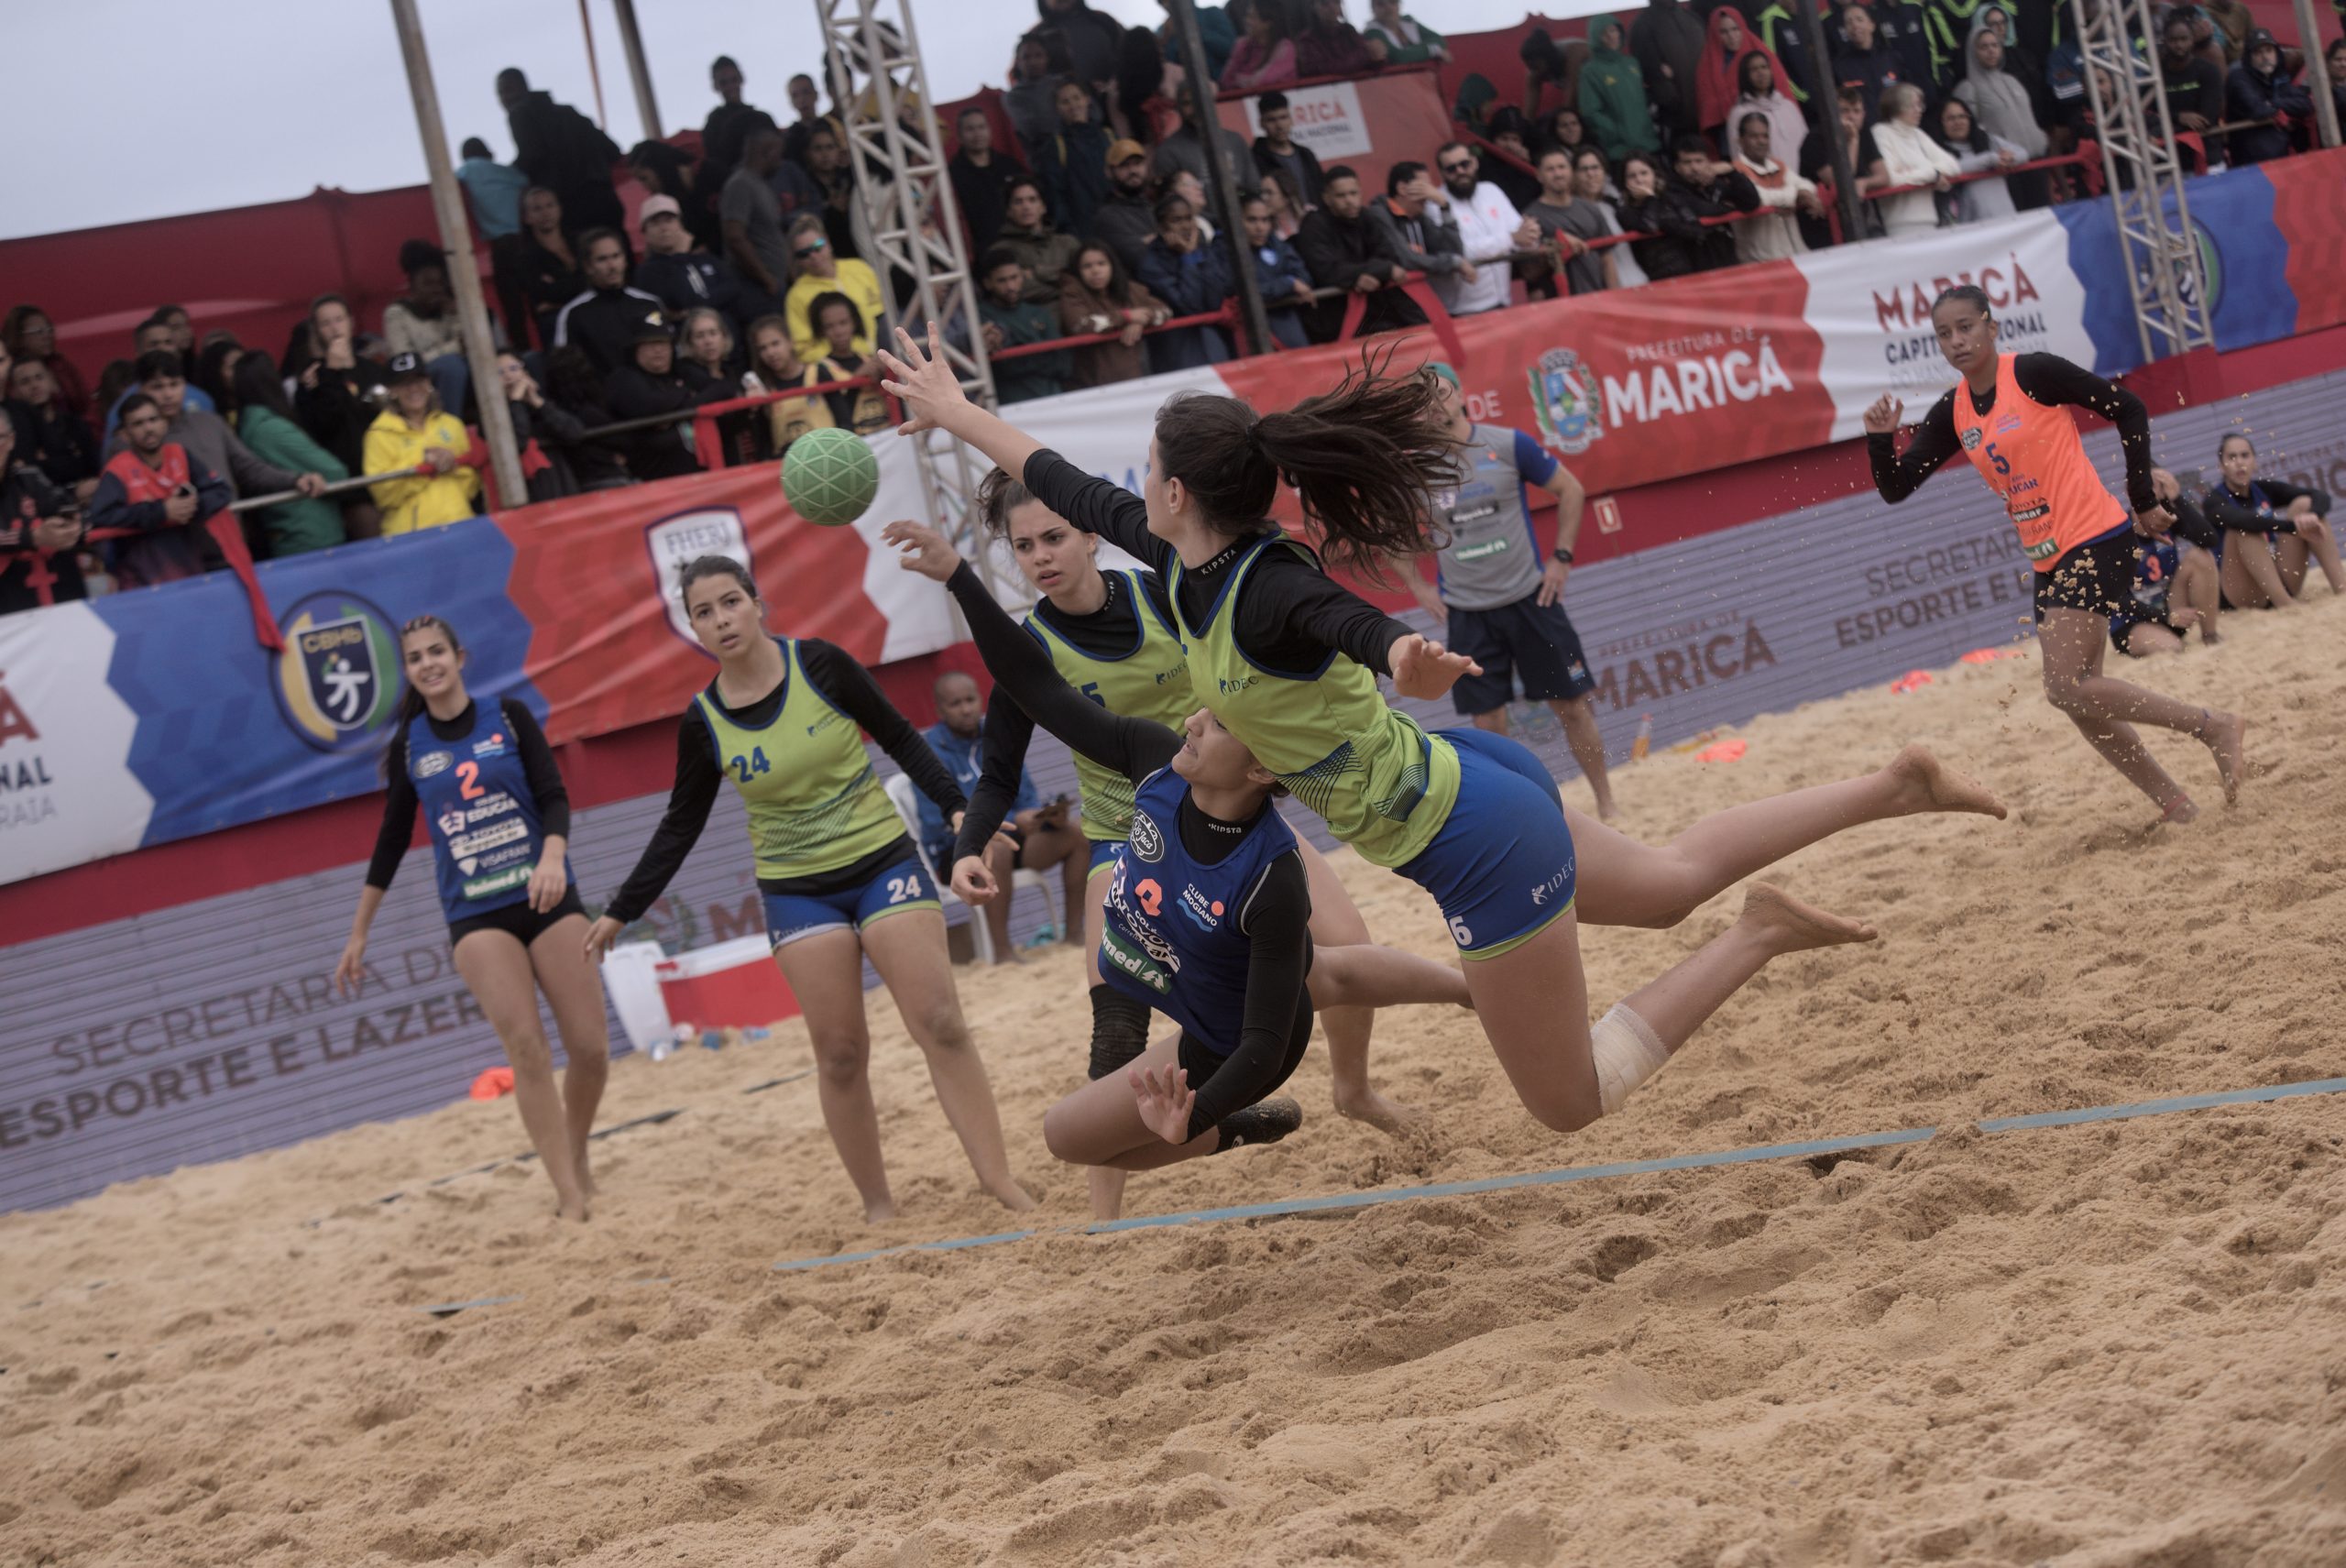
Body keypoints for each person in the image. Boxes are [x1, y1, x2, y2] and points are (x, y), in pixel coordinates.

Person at [879, 324, 2009, 1141]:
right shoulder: (1180, 554)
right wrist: (953, 412)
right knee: (1664, 885)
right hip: (1474, 779)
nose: (1133, 492)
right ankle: (1892, 783)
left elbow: (1341, 619)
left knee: (1569, 1102)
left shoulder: (1266, 589)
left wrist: (1399, 656)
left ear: (1178, 493)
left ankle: (1757, 933)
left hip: (1472, 838)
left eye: (1149, 478)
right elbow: (1064, 484)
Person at [886, 513, 1480, 1208]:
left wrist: (1373, 655)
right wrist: (967, 846)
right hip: (1130, 826)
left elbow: (1266, 655)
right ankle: (1107, 1216)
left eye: (1053, 537)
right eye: (1023, 546)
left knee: (1338, 952)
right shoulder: (1053, 662)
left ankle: (1358, 1083)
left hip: (1228, 809)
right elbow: (1009, 747)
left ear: (1089, 540)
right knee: (1117, 1027)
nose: (1041, 556)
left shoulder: (1163, 596)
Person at [586, 556, 1035, 1223]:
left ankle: (999, 1179)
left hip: (882, 861)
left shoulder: (821, 664)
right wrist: (622, 909)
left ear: (757, 603)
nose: (721, 619)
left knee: (940, 1020)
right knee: (841, 1053)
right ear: (693, 628)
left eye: (730, 601)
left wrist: (958, 809)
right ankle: (879, 1205)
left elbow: (902, 739)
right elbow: (680, 825)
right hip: (799, 891)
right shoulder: (704, 720)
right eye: (703, 612)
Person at [1866, 286, 2248, 823]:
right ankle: (2178, 807)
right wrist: (1880, 440)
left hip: (2095, 535)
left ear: (1991, 327)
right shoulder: (1953, 410)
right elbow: (1897, 487)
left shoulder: (2032, 373)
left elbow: (2128, 407)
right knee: (2071, 695)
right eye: (1944, 334)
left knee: (2066, 685)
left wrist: (2141, 497)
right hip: (2048, 557)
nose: (1956, 341)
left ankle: (2213, 726)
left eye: (1965, 327)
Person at [337, 617, 608, 1222]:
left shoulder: (508, 716)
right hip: (476, 913)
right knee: (527, 1048)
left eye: (437, 651)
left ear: (460, 657)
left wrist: (553, 857)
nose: (428, 663)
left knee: (590, 1048)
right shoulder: (411, 745)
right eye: (415, 657)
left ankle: (578, 1151)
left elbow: (554, 796)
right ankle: (567, 1192)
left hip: (547, 897)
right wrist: (359, 932)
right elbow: (389, 842)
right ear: (408, 671)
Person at [1406, 364, 1617, 817]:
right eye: (1423, 401)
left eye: (1441, 393)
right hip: (1468, 613)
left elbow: (1572, 489)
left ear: (1462, 394)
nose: (1434, 405)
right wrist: (1418, 586)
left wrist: (1560, 559)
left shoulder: (1506, 444)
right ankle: (1525, 818)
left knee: (1573, 708)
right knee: (1489, 729)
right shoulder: (1416, 472)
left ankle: (1608, 804)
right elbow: (1388, 536)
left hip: (1531, 599)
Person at [915, 665, 1091, 961]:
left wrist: (1041, 817)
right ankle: (1003, 952)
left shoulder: (997, 735)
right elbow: (938, 822)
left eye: (970, 700)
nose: (966, 709)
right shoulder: (930, 751)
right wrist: (999, 822)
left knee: (1076, 833)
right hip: (957, 851)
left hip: (1011, 837)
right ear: (939, 709)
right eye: (955, 704)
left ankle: (1074, 934)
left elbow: (1026, 799)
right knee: (995, 845)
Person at [114, 349, 324, 510]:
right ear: (140, 389)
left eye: (174, 384)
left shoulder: (210, 423)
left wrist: (295, 479)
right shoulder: (127, 441)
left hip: (231, 543)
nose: (168, 394)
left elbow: (250, 469)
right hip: (176, 558)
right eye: (157, 387)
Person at [87, 393, 234, 587]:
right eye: (138, 424)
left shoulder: (179, 453)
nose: (148, 428)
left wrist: (190, 506)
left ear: (164, 423)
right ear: (125, 433)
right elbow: (101, 516)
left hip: (190, 567)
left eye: (153, 420)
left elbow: (220, 491)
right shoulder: (117, 469)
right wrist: (162, 512)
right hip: (140, 579)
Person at [2203, 432, 2343, 609]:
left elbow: (2320, 495)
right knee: (2244, 530)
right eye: (2231, 457)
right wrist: (2293, 527)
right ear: (2221, 467)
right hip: (2243, 592)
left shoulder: (2262, 489)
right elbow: (2246, 521)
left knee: (2304, 504)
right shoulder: (2213, 501)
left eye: (2245, 456)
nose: (2239, 462)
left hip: (2278, 578)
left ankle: (2342, 589)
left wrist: (2313, 515)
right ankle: (2287, 607)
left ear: (2254, 462)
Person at [229, 353, 348, 555]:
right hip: (310, 536)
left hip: (290, 534)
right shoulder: (271, 429)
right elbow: (335, 471)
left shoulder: (248, 427)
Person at [1299, 167, 1426, 337]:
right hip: (1336, 320)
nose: (1350, 200)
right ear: (1326, 198)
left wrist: (1370, 273)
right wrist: (1368, 274)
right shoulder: (1313, 225)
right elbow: (1326, 269)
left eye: (1353, 193)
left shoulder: (1367, 216)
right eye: (1341, 196)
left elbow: (1389, 256)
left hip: (1381, 311)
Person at [498, 68, 624, 236]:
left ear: (523, 87)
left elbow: (532, 155)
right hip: (606, 200)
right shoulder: (570, 113)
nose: (505, 99)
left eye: (508, 90)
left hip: (571, 207)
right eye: (500, 94)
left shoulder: (519, 113)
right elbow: (612, 151)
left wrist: (508, 174)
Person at [365, 354, 480, 536]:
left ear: (428, 383)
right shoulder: (378, 434)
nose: (413, 389)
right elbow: (382, 494)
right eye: (404, 384)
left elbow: (472, 483)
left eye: (418, 381)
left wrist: (451, 465)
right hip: (411, 538)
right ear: (392, 390)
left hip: (461, 525)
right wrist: (423, 462)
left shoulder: (452, 424)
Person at [2110, 468, 2222, 656]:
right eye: (2143, 486)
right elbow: (2117, 599)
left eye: (2156, 486)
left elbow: (2210, 540)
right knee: (2172, 649)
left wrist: (2178, 498)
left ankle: (2210, 635)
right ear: (2129, 492)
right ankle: (2166, 637)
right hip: (2133, 622)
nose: (2150, 493)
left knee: (2201, 556)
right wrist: (2166, 616)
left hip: (2171, 608)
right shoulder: (2118, 535)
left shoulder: (2167, 519)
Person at [606, 310, 728, 481]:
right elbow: (648, 407)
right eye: (650, 344)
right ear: (636, 348)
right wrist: (685, 393)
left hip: (701, 477)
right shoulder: (624, 377)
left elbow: (722, 388)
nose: (658, 350)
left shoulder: (679, 370)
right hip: (654, 482)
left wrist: (681, 409)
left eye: (663, 343)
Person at [1432, 143, 1539, 316]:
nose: (1460, 171)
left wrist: (1531, 234)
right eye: (1451, 169)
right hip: (1462, 313)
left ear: (1474, 163)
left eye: (1464, 164)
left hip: (1503, 304)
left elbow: (1521, 238)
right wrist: (1511, 239)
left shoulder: (1491, 191)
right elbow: (1458, 251)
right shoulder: (1436, 204)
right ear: (1442, 173)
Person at [1135, 197, 1236, 370]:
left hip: (1215, 344)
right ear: (1161, 227)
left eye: (1189, 218)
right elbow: (1190, 305)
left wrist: (1192, 253)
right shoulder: (1150, 264)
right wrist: (1188, 257)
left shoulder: (1203, 249)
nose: (1185, 226)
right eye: (1176, 220)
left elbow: (1215, 300)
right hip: (1180, 351)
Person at [637, 194, 763, 331]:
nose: (664, 228)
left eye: (669, 220)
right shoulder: (646, 272)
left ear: (680, 224)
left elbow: (734, 286)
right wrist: (680, 256)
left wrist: (698, 304)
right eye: (655, 223)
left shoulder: (703, 258)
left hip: (729, 334)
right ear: (645, 232)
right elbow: (682, 299)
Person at [0, 416, 87, 615]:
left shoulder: (28, 476)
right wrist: (32, 537)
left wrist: (71, 525)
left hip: (56, 597)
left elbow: (66, 507)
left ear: (12, 440)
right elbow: (34, 535)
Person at [554, 229, 668, 377]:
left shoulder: (650, 303)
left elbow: (670, 354)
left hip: (658, 393)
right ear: (588, 267)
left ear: (625, 260)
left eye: (616, 256)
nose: (612, 266)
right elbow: (564, 369)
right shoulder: (573, 314)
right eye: (602, 259)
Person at [722, 128, 815, 306]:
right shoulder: (740, 184)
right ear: (768, 152)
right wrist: (765, 278)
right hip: (757, 289)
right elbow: (734, 236)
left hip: (774, 285)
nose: (781, 163)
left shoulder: (760, 184)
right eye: (779, 155)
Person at [781, 214, 888, 364]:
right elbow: (803, 350)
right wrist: (850, 358)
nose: (813, 255)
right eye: (803, 253)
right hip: (847, 368)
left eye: (817, 246)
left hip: (889, 356)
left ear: (828, 242)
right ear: (797, 259)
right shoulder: (796, 295)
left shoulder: (859, 268)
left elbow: (886, 317)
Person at [1955, 26, 2055, 187]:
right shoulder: (1967, 89)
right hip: (2006, 169)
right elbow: (1971, 134)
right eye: (1983, 47)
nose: (1991, 51)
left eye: (1995, 45)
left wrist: (2041, 139)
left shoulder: (2012, 81)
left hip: (2037, 162)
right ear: (1973, 52)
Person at [1059, 242, 1169, 386]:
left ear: (1112, 265)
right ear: (1078, 271)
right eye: (1087, 266)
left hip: (1136, 375)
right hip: (1094, 381)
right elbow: (1081, 324)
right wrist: (1126, 317)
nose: (1095, 270)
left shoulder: (1129, 288)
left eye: (1101, 264)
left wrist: (1142, 320)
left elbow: (1165, 311)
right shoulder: (1072, 292)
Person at [381, 239, 471, 416]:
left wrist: (454, 315)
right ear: (412, 286)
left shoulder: (446, 309)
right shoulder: (397, 314)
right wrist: (452, 349)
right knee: (451, 365)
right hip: (416, 379)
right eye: (428, 284)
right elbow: (405, 362)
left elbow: (467, 344)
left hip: (455, 376)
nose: (435, 289)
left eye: (439, 283)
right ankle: (447, 425)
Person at [493, 187, 586, 354]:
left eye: (550, 205)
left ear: (559, 209)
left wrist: (559, 292)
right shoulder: (525, 256)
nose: (545, 213)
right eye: (537, 208)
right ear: (526, 217)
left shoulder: (580, 242)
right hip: (556, 323)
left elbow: (593, 279)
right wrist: (579, 285)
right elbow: (542, 294)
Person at [695, 54, 781, 233]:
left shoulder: (763, 118)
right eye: (724, 82)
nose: (731, 86)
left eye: (733, 79)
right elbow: (716, 163)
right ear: (716, 86)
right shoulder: (714, 123)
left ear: (742, 79)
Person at [975, 251, 1075, 404]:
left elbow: (1064, 363)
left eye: (1014, 278)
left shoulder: (1039, 312)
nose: (1010, 286)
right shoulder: (980, 315)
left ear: (1022, 276)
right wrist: (1041, 352)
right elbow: (1005, 367)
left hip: (1055, 398)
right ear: (988, 283)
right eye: (1002, 281)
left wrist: (1022, 351)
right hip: (1014, 405)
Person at [1868, 82, 1960, 236]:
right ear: (1898, 107)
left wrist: (1921, 172)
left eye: (1920, 106)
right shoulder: (1881, 132)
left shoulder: (1917, 134)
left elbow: (1954, 166)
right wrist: (1933, 175)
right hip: (1899, 223)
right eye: (1913, 106)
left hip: (1930, 218)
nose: (1919, 111)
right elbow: (1890, 178)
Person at [494, 351, 586, 502]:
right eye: (500, 372)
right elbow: (518, 442)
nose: (508, 376)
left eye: (513, 368)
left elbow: (574, 432)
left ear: (526, 373)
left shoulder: (540, 406)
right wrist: (515, 401)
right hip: (528, 496)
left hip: (563, 488)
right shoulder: (492, 417)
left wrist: (536, 401)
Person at [1524, 148, 1617, 295]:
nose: (1558, 174)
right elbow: (1529, 272)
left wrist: (1615, 297)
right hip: (1563, 306)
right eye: (1550, 169)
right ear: (1539, 176)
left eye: (1562, 167)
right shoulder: (1530, 217)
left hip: (1600, 297)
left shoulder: (1590, 208)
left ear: (1571, 171)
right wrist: (1556, 247)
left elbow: (1607, 259)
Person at [743, 314, 838, 458]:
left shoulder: (818, 372)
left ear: (790, 342)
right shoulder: (763, 388)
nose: (770, 353)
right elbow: (764, 443)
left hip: (829, 458)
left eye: (775, 344)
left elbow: (843, 419)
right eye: (763, 348)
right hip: (789, 469)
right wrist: (754, 410)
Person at [1729, 112, 1820, 261]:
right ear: (1740, 140)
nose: (1761, 141)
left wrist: (1804, 192)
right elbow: (1758, 196)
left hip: (1796, 253)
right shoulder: (1735, 170)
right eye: (1754, 136)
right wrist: (1795, 196)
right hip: (1761, 261)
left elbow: (1806, 185)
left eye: (1765, 136)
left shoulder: (1778, 165)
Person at [8, 355, 101, 495]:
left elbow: (95, 468)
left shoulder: (76, 424)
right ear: (14, 392)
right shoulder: (14, 436)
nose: (34, 386)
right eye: (25, 382)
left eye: (39, 377)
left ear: (52, 381)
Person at [543, 347, 631, 491]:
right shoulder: (589, 413)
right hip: (607, 478)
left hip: (583, 481)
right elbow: (625, 441)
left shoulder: (555, 414)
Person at [1036, 81, 1114, 240]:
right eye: (1065, 102)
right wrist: (1070, 233)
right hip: (1084, 230)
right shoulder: (1055, 147)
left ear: (1087, 99)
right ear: (1057, 108)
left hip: (1118, 223)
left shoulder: (1108, 136)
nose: (1073, 105)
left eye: (1076, 98)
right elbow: (1055, 196)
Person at [1238, 194, 1319, 348]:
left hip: (1289, 332)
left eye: (1265, 220)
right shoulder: (1224, 251)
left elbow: (1304, 278)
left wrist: (1290, 284)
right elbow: (1243, 293)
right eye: (1252, 220)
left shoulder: (1275, 244)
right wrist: (1288, 284)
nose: (1260, 227)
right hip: (1249, 339)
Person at [1581, 14, 1661, 162]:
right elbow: (1590, 111)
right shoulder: (1590, 71)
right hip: (1620, 150)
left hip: (1649, 142)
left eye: (1614, 31)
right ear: (1595, 37)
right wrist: (1615, 132)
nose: (1611, 36)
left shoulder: (1632, 63)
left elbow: (1643, 98)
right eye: (1604, 33)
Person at [2226, 29, 2310, 168]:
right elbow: (2258, 109)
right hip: (2250, 162)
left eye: (2269, 50)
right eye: (2258, 52)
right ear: (2249, 57)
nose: (2265, 57)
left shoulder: (2278, 76)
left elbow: (2305, 104)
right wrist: (2279, 108)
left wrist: (2273, 104)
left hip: (2281, 156)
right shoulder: (2238, 78)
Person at [995, 177, 1086, 305]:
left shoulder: (1068, 243)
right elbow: (1018, 290)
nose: (1026, 206)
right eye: (1018, 202)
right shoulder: (1002, 251)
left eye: (1032, 200)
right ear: (1009, 211)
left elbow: (1088, 277)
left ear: (1043, 207)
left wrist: (1037, 272)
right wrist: (1067, 286)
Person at [950, 108, 1028, 256]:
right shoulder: (952, 175)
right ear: (959, 136)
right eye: (970, 129)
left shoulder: (1009, 165)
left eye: (982, 127)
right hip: (985, 251)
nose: (977, 134)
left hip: (1022, 243)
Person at [808, 296, 892, 433]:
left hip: (888, 435)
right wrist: (856, 381)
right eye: (829, 326)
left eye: (844, 323)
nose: (839, 332)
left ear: (854, 323)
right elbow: (839, 417)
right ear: (821, 331)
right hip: (854, 443)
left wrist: (886, 374)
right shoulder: (821, 369)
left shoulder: (869, 359)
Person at [1933, 96, 2023, 223]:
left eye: (1962, 116)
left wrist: (2010, 158)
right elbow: (1953, 169)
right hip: (1973, 229)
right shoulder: (1936, 151)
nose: (1958, 122)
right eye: (1951, 118)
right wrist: (1990, 159)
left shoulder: (1987, 140)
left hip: (2007, 218)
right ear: (1940, 123)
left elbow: (2023, 153)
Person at [1572, 147, 1650, 287]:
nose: (1591, 174)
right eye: (1584, 169)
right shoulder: (1572, 210)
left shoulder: (1614, 204)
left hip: (1639, 280)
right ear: (1574, 175)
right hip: (1605, 291)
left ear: (1604, 172)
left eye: (1595, 167)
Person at [1633, 0, 1709, 137]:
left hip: (1708, 110)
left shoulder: (1692, 17)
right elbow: (1651, 71)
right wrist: (1673, 104)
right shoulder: (1643, 24)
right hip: (1677, 120)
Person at [5, 306, 92, 423]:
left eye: (49, 329)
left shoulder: (61, 365)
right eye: (38, 331)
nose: (47, 336)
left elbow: (84, 403)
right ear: (20, 337)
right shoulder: (10, 374)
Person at [1086, 139, 1161, 274]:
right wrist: (1164, 238)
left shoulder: (1155, 205)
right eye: (1124, 165)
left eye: (1137, 164)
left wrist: (1150, 240)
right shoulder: (1107, 216)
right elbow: (1137, 258)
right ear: (1109, 172)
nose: (1133, 170)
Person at [1733, 48, 1807, 173]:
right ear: (1745, 75)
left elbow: (1807, 143)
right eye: (1754, 69)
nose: (1761, 73)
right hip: (1768, 185)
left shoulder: (1788, 106)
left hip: (1802, 181)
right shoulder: (1740, 113)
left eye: (1764, 67)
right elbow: (1738, 156)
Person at [1250, 92, 1327, 207]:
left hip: (1315, 221)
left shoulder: (1306, 155)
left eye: (1283, 117)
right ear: (1261, 123)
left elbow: (1322, 191)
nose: (1280, 125)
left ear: (1291, 119)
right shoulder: (1255, 159)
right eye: (1272, 120)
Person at [1831, 2, 1901, 123]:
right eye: (1849, 22)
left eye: (1859, 19)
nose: (1855, 25)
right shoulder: (1839, 65)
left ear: (1872, 25)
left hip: (1895, 129)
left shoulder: (1891, 57)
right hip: (1864, 133)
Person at [455, 137, 530, 241]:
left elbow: (450, 182)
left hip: (497, 235)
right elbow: (526, 181)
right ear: (487, 152)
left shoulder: (466, 169)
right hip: (523, 228)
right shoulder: (506, 172)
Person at [1222, 2, 1299, 91]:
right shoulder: (1242, 45)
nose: (1247, 21)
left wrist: (1238, 79)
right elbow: (1226, 80)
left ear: (1268, 23)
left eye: (1253, 17)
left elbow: (1261, 81)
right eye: (1247, 15)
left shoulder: (1285, 48)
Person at [1296, 0, 1376, 77]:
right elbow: (1318, 70)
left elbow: (1373, 62)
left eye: (1336, 1)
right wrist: (1364, 56)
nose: (1332, 7)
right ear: (1314, 7)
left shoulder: (1349, 30)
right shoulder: (1307, 39)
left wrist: (1378, 57)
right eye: (1324, 3)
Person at [1365, 0, 1446, 64]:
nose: (1388, 8)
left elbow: (1439, 40)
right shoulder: (1372, 33)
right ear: (1373, 9)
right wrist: (1432, 50)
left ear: (1399, 5)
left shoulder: (1408, 22)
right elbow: (1398, 57)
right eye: (1380, 4)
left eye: (1392, 2)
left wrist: (1413, 53)